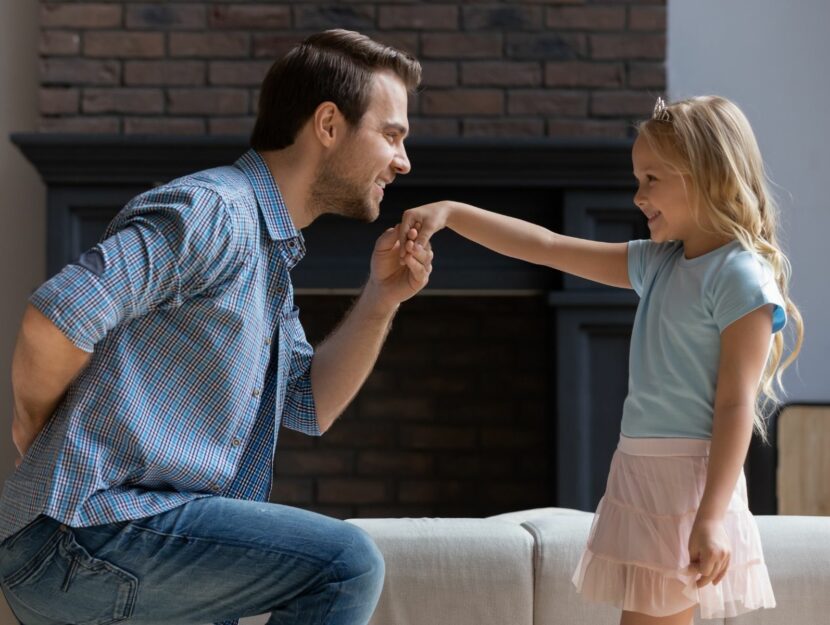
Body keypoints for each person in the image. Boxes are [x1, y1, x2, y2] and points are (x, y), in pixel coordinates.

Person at [1, 30, 433, 625]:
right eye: (391, 134)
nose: (403, 160)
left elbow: (310, 403)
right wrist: (34, 429)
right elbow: (57, 317)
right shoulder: (215, 213)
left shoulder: (268, 252)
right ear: (329, 125)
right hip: (82, 537)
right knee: (346, 563)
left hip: (110, 542)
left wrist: (384, 298)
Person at [396, 95, 803, 625]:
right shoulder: (659, 264)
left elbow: (734, 405)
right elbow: (546, 245)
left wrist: (710, 516)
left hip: (689, 483)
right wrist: (452, 213)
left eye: (651, 179)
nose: (638, 196)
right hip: (640, 470)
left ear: (708, 175)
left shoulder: (740, 277)